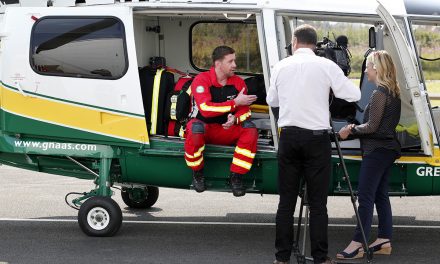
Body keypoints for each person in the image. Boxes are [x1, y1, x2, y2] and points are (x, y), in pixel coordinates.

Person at [267, 24, 361, 264]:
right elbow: (354, 96)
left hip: (289, 137)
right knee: (318, 204)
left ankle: (281, 258)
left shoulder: (280, 65)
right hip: (317, 140)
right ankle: (320, 257)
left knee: (286, 202)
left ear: (295, 42)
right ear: (314, 43)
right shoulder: (326, 65)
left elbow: (272, 100)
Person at [336, 50, 401, 260]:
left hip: (376, 151)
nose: (366, 70)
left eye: (369, 66)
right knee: (380, 195)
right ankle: (384, 239)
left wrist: (351, 129)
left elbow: (372, 127)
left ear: (377, 68)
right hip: (387, 150)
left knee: (365, 197)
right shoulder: (393, 92)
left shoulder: (379, 93)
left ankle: (357, 243)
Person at [184, 45, 258, 197]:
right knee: (195, 129)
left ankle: (236, 177)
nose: (235, 65)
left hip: (226, 129)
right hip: (204, 127)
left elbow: (246, 110)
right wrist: (234, 104)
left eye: (235, 61)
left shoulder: (238, 82)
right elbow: (206, 109)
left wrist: (235, 118)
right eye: (230, 61)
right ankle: (197, 172)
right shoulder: (201, 80)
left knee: (250, 129)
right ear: (218, 64)